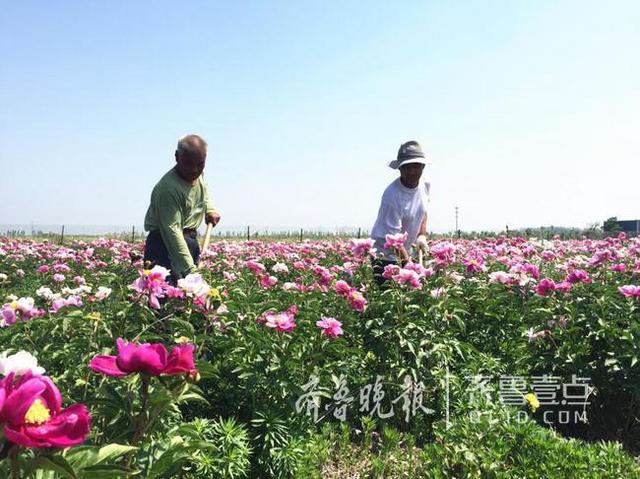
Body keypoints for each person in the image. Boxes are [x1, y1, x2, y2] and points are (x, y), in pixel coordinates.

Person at [143, 134, 221, 281]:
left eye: (200, 164)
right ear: (177, 156)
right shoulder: (168, 189)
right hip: (164, 245)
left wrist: (209, 208)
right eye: (188, 163)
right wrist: (190, 271)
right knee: (164, 298)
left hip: (189, 241)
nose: (194, 169)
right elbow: (172, 232)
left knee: (187, 300)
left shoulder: (198, 174)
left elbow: (204, 188)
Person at [370, 140, 431, 284]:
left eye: (416, 166)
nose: (412, 171)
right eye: (406, 167)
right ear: (399, 168)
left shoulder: (424, 186)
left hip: (406, 250)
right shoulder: (392, 195)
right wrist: (410, 266)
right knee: (391, 300)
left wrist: (421, 235)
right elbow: (394, 240)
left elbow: (424, 210)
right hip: (385, 257)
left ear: (422, 166)